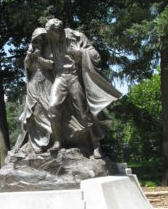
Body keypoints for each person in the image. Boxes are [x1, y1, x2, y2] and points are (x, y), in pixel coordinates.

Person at [45, 18, 122, 158]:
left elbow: (95, 55)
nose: (51, 37)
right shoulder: (50, 39)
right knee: (52, 108)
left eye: (53, 33)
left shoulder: (77, 36)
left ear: (59, 31)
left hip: (74, 77)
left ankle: (96, 145)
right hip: (60, 77)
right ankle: (58, 141)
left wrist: (80, 52)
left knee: (84, 113)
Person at [17, 27, 54, 154]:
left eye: (41, 41)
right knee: (35, 112)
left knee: (49, 110)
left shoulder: (50, 51)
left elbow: (52, 65)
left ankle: (50, 141)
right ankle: (37, 144)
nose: (39, 43)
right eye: (36, 41)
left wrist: (39, 58)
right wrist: (30, 54)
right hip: (34, 86)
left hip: (47, 84)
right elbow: (27, 66)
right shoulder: (31, 54)